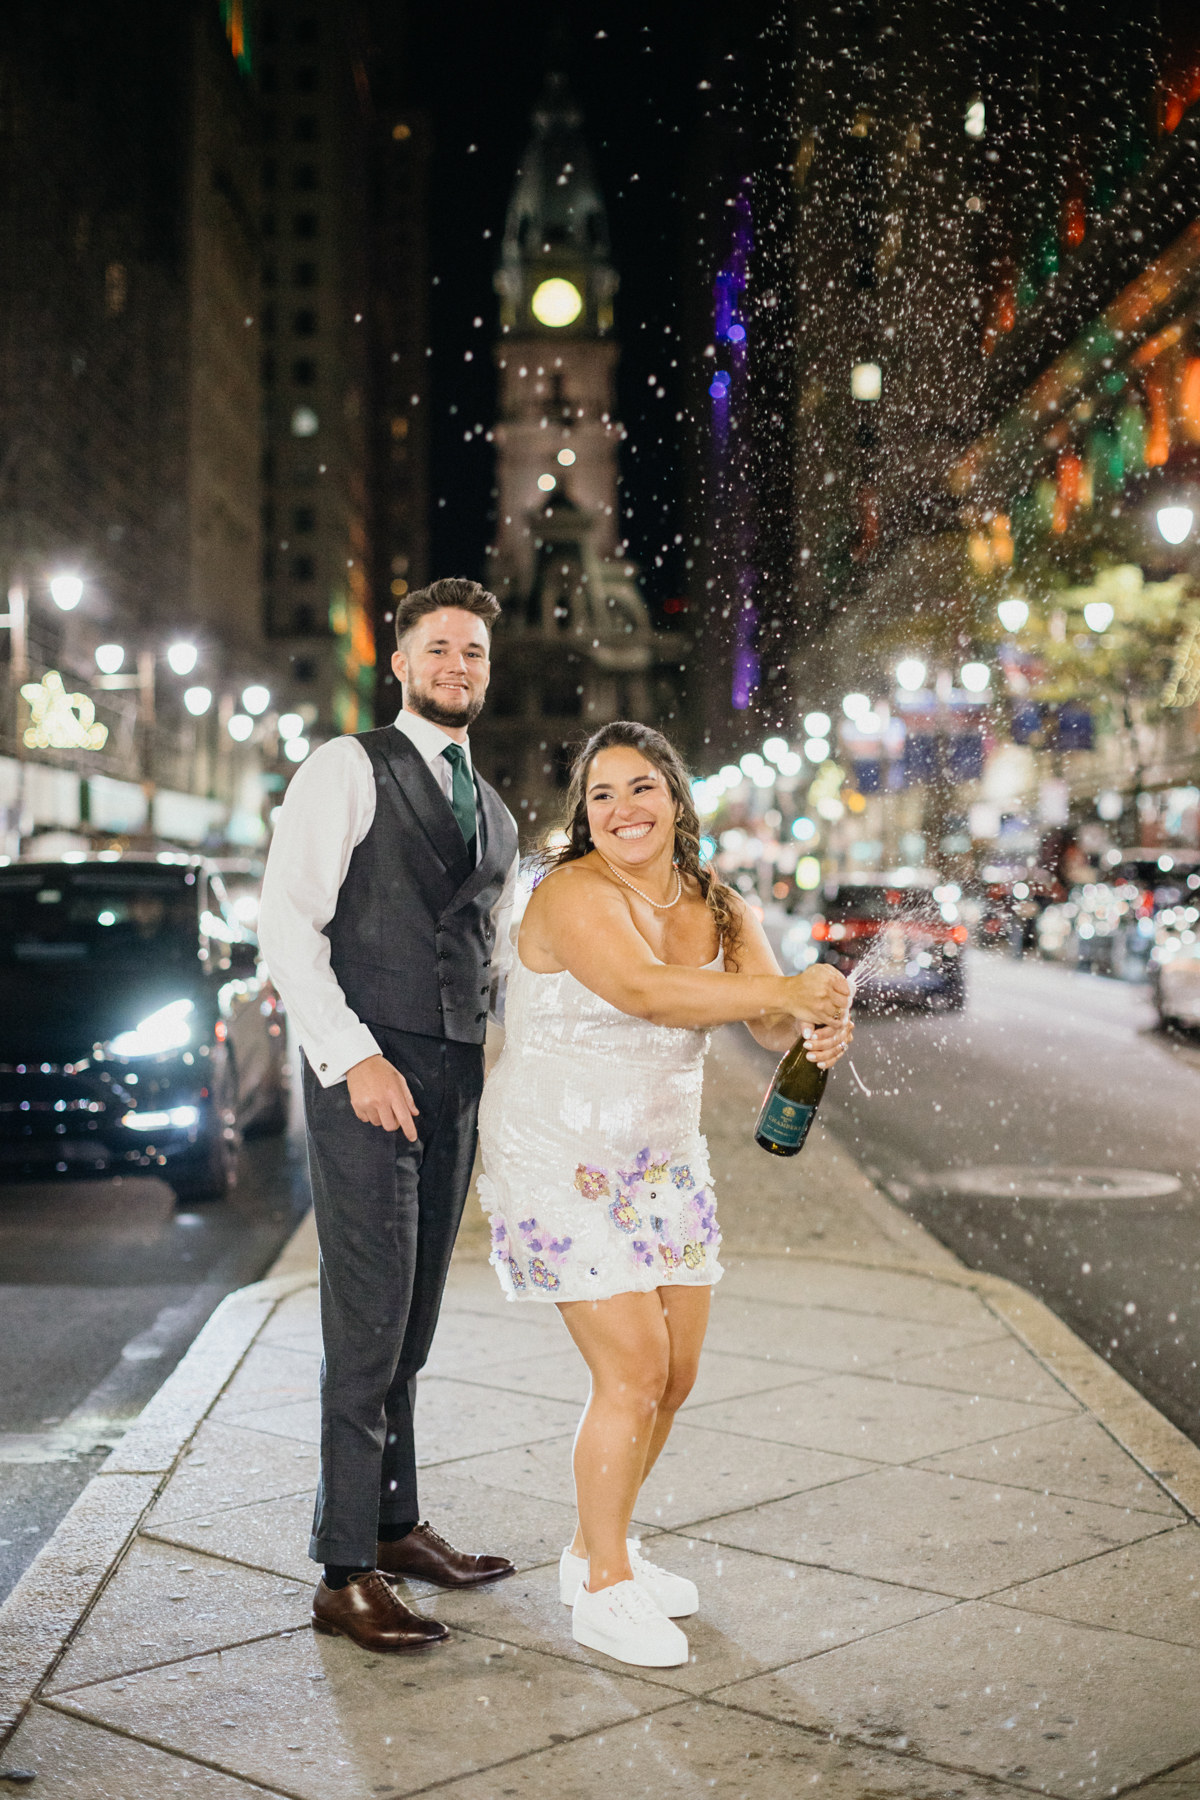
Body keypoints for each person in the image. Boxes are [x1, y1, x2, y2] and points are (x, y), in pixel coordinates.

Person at [477, 720, 852, 1668]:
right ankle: (605, 1591)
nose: (622, 810)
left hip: (661, 1160)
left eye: (641, 787)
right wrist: (787, 993)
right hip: (557, 1151)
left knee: (675, 1378)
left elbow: (768, 1024)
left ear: (676, 800)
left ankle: (590, 1551)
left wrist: (815, 1019)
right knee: (634, 1371)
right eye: (600, 795)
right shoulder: (570, 893)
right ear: (585, 815)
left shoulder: (718, 903)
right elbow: (646, 991)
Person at [258, 578, 520, 1654]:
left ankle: (395, 1525)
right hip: (368, 1071)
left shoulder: (494, 810)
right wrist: (355, 1056)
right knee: (366, 1324)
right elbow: (288, 922)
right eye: (440, 649)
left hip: (455, 1078)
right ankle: (342, 1570)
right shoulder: (346, 767)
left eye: (474, 652)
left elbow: (497, 958)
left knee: (413, 1320)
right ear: (401, 663)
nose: (459, 665)